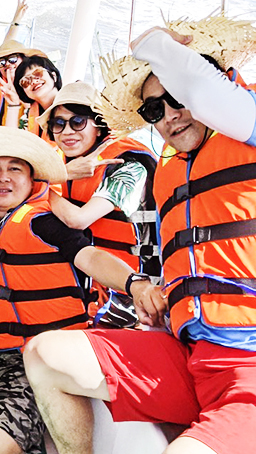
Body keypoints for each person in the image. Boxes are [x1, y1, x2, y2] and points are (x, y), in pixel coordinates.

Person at [23, 16, 256, 454]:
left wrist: (164, 47)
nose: (169, 116)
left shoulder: (246, 130)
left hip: (248, 363)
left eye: (177, 98)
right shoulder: (170, 174)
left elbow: (78, 222)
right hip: (189, 353)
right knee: (42, 355)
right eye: (154, 110)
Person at [0, 126, 148, 454]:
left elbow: (91, 258)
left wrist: (134, 282)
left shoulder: (46, 222)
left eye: (15, 168)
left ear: (31, 180)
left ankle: (14, 407)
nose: (3, 177)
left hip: (46, 357)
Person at [36, 81, 159, 326]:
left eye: (78, 121)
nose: (67, 132)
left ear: (99, 126)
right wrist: (58, 174)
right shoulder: (60, 165)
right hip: (85, 284)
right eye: (58, 124)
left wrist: (36, 185)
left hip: (132, 295)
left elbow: (78, 219)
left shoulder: (129, 166)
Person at [0, 40, 47, 128]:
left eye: (13, 59)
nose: (7, 64)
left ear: (24, 61)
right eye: (1, 62)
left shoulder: (38, 86)